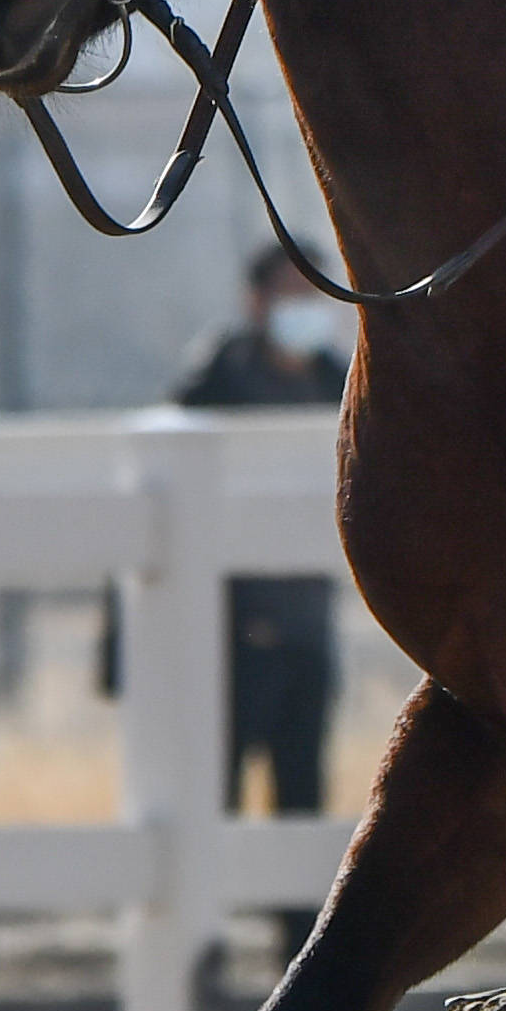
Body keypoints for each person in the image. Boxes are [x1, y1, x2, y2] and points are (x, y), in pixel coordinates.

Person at [172, 247, 346, 843]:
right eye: (292, 292)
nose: (306, 308)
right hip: (229, 631)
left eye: (314, 294)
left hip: (309, 624)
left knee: (303, 797)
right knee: (212, 793)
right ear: (257, 301)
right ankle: (207, 932)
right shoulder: (215, 385)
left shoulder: (339, 385)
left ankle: (299, 934)